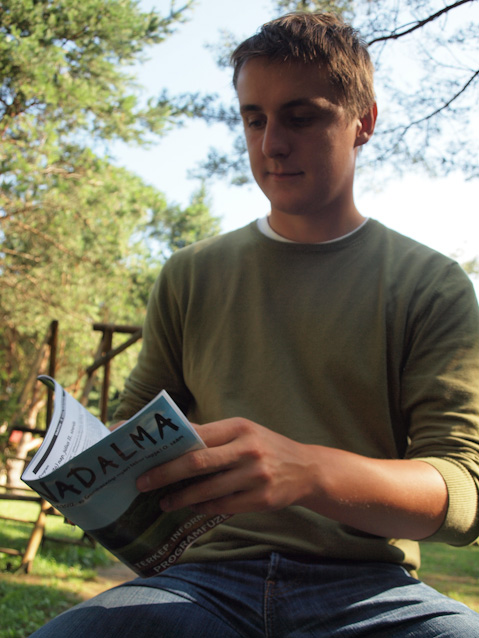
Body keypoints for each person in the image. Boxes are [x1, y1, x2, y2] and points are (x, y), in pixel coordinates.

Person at [30, 12, 479, 637]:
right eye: (254, 119)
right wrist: (90, 473)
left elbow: (461, 490)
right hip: (199, 584)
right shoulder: (190, 275)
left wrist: (307, 471)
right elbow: (132, 429)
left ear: (364, 121)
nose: (271, 145)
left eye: (301, 117)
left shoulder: (431, 285)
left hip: (371, 592)